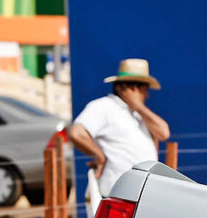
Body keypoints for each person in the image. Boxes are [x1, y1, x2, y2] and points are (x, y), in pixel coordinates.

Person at [68, 58, 170, 197]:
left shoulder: (138, 114)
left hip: (142, 195)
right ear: (132, 89)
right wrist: (99, 155)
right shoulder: (103, 106)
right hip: (118, 195)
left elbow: (164, 133)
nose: (147, 95)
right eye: (144, 90)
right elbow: (76, 133)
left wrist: (138, 106)